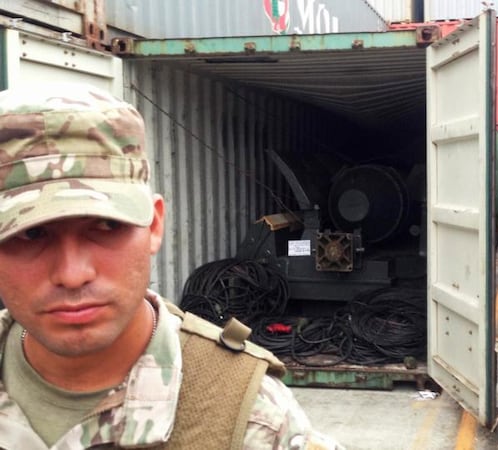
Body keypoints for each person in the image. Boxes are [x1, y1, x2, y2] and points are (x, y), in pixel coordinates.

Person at [0, 84, 341, 449]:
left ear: (154, 226)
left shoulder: (255, 421)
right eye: (31, 234)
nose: (72, 274)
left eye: (105, 226)